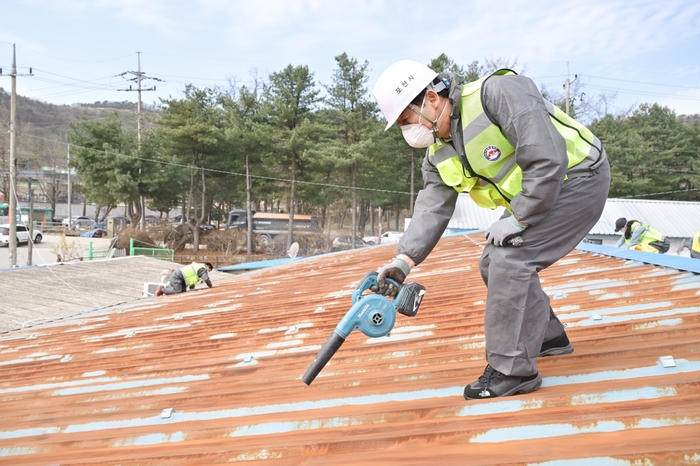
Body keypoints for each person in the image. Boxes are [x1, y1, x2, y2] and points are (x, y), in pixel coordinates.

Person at [370, 60, 610, 400]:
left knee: (509, 259)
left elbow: (548, 156)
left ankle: (513, 371)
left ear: (431, 98)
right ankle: (548, 337)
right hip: (540, 193)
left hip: (579, 177)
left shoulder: (496, 94)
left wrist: (519, 218)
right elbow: (431, 207)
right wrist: (403, 261)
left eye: (408, 121)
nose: (409, 133)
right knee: (491, 263)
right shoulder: (439, 152)